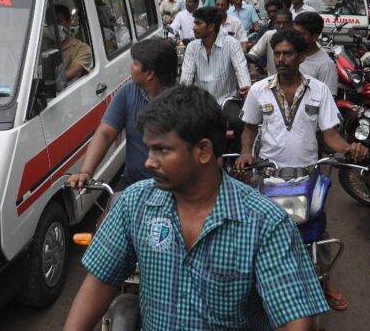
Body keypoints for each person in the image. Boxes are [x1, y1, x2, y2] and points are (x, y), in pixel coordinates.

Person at [63, 85, 330, 331]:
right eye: (149, 150)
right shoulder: (135, 203)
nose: (149, 163)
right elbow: (100, 283)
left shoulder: (265, 223)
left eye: (162, 151)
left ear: (203, 151)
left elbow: (294, 319)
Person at [236, 30, 368, 313]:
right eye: (278, 54)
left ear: (300, 56)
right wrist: (247, 152)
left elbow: (330, 136)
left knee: (316, 228)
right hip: (267, 176)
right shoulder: (259, 90)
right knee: (257, 231)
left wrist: (349, 149)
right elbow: (248, 127)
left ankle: (326, 279)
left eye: (288, 53)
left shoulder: (319, 90)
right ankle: (250, 282)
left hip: (309, 176)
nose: (282, 59)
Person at [67, 38, 177, 190]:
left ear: (150, 74)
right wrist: (86, 172)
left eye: (136, 63)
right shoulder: (128, 91)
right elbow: (105, 133)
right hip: (132, 184)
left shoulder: (183, 103)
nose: (131, 67)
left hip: (171, 188)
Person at [180, 6, 251, 144]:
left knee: (237, 121)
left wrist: (245, 89)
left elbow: (241, 70)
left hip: (227, 100)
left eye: (198, 23)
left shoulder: (232, 44)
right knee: (187, 124)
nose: (193, 27)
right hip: (201, 102)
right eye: (194, 23)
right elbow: (186, 79)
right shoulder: (192, 47)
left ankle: (238, 158)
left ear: (211, 27)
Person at [294, 12, 338, 96]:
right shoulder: (290, 54)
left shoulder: (326, 65)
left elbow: (328, 99)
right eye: (294, 32)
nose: (295, 37)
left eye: (300, 34)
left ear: (314, 37)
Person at [53, 5, 93, 81]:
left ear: (68, 22)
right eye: (51, 23)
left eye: (58, 22)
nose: (54, 26)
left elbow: (71, 72)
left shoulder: (82, 48)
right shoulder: (40, 47)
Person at [249, 8, 293, 76]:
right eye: (278, 23)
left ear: (291, 23)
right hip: (272, 81)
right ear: (274, 23)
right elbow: (252, 54)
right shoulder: (269, 35)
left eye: (285, 23)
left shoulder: (297, 39)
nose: (281, 26)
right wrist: (253, 69)